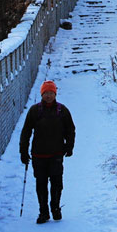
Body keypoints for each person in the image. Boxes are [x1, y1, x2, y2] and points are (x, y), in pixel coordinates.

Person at [19, 80, 76, 224]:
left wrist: (69, 147)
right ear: (42, 94)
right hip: (39, 155)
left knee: (57, 183)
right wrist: (23, 152)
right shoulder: (34, 111)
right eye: (46, 93)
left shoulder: (62, 110)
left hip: (56, 154)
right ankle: (43, 212)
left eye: (51, 93)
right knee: (41, 184)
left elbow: (70, 130)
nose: (48, 96)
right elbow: (26, 132)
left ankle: (55, 208)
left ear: (55, 94)